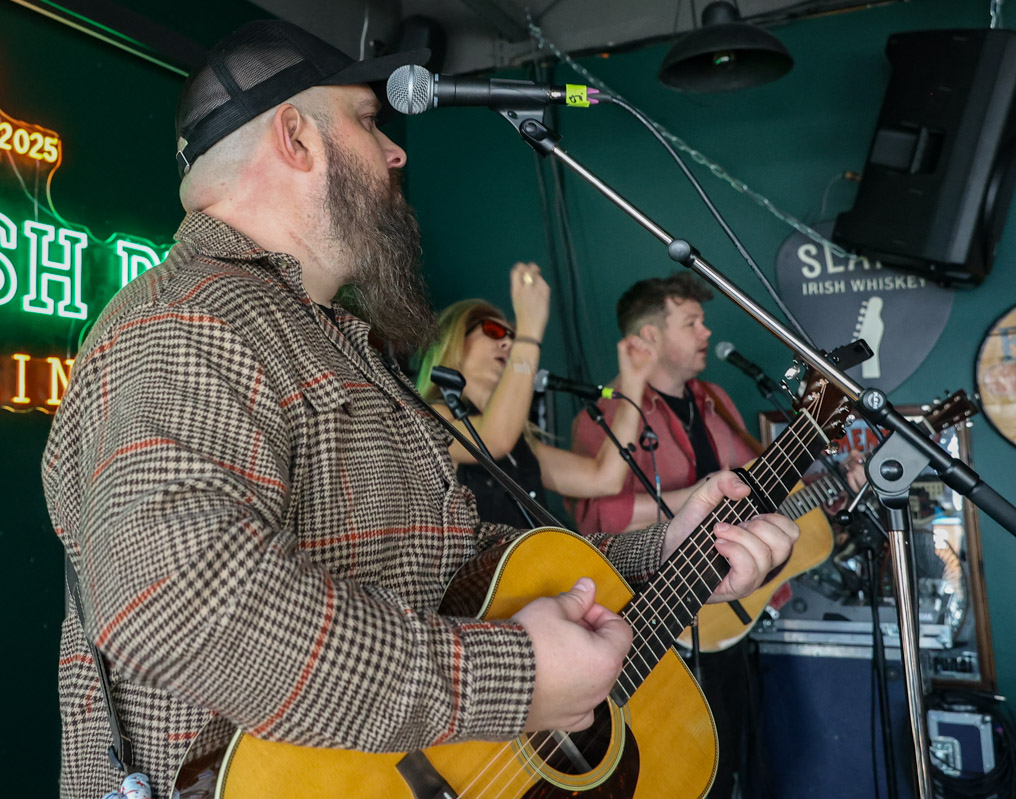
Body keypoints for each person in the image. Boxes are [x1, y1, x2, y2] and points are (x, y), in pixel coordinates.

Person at [42, 21, 799, 799]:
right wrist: (515, 678)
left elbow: (452, 564)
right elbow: (180, 604)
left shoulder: (321, 334)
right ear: (295, 138)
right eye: (370, 121)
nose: (396, 152)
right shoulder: (187, 321)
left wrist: (661, 553)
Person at [570, 272, 764, 799]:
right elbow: (599, 520)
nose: (706, 332)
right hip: (662, 621)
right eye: (691, 322)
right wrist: (697, 496)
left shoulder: (715, 399)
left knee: (738, 753)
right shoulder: (607, 414)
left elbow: (758, 480)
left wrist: (833, 483)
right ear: (649, 336)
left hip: (729, 608)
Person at [415, 262, 651, 527]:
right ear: (455, 339)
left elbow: (604, 478)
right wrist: (528, 332)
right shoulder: (430, 418)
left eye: (513, 337)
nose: (508, 342)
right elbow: (493, 440)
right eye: (494, 331)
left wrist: (634, 382)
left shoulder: (519, 442)